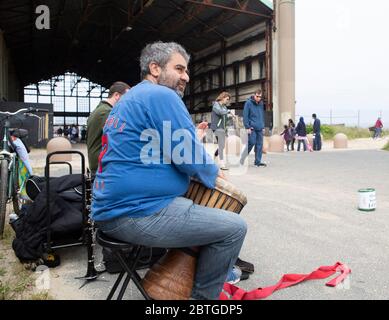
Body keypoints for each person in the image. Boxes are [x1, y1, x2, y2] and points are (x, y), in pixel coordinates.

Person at [91, 41, 247, 300]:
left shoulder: (130, 98)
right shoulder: (160, 95)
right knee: (234, 228)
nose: (186, 76)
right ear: (154, 68)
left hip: (113, 210)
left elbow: (167, 148)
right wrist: (213, 171)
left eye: (186, 70)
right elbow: (188, 155)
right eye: (179, 68)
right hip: (134, 212)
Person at [86, 81, 130, 176]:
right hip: (103, 165)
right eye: (126, 98)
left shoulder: (100, 109)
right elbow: (119, 138)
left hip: (98, 162)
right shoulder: (107, 112)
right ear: (117, 95)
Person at [239, 89, 266, 167]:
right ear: (254, 95)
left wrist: (263, 126)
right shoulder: (248, 103)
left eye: (260, 97)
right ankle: (242, 158)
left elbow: (261, 115)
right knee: (251, 142)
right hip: (252, 127)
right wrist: (247, 127)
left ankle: (257, 162)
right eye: (257, 96)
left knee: (259, 145)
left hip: (260, 128)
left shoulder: (261, 104)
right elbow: (245, 116)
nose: (258, 98)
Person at [211, 91, 233, 170]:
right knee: (221, 144)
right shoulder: (215, 105)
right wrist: (228, 111)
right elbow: (220, 112)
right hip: (216, 128)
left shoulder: (224, 107)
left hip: (222, 128)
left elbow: (225, 118)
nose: (227, 101)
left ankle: (215, 155)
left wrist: (230, 117)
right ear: (223, 97)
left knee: (222, 145)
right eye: (227, 99)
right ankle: (221, 163)